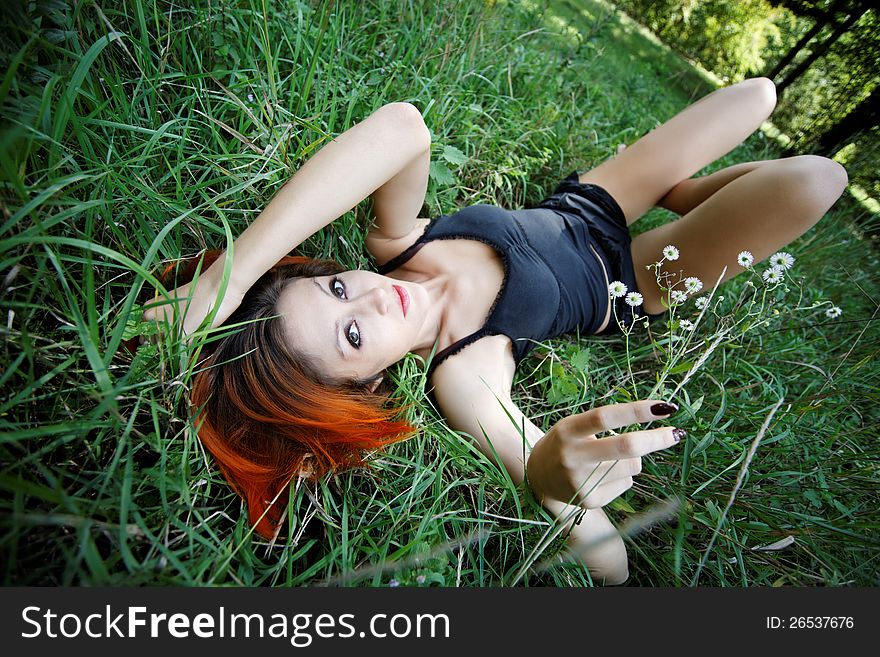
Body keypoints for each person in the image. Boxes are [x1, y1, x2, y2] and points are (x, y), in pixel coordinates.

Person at [143, 78, 847, 585]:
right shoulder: (464, 373)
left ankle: (687, 194)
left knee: (757, 94)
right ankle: (692, 207)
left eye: (334, 288)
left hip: (593, 197)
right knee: (819, 180)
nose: (369, 299)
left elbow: (404, 127)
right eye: (352, 336)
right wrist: (547, 471)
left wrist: (226, 280)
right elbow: (613, 562)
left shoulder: (398, 243)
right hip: (633, 275)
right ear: (368, 383)